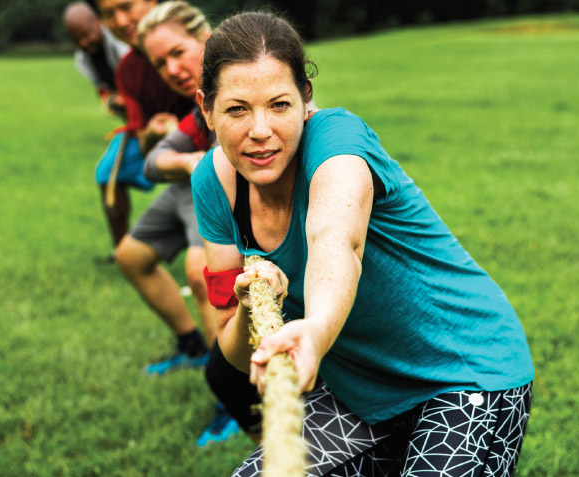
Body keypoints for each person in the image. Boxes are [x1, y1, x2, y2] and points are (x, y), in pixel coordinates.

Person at [191, 11, 535, 476]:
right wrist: (251, 306)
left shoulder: (338, 141)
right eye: (237, 109)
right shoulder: (214, 186)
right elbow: (230, 340)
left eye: (279, 105)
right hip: (362, 391)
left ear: (306, 100)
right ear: (206, 108)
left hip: (465, 372)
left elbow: (337, 240)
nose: (259, 130)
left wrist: (315, 329)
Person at [116, 1, 260, 446]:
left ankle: (233, 394)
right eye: (160, 63)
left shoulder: (247, 86)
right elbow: (153, 162)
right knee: (130, 255)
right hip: (193, 186)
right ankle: (194, 348)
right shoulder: (199, 108)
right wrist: (188, 159)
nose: (172, 68)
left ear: (204, 38)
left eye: (178, 52)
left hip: (230, 196)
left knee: (203, 275)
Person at [93, 0, 193, 257]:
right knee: (106, 173)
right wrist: (154, 133)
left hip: (216, 152)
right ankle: (120, 249)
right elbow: (146, 143)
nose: (121, 21)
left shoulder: (202, 45)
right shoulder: (128, 69)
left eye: (126, 7)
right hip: (179, 153)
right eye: (108, 14)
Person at [63, 1, 128, 118]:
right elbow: (103, 92)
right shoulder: (82, 59)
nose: (83, 43)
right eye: (76, 39)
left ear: (99, 22)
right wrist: (113, 101)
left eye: (86, 35)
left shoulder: (121, 42)